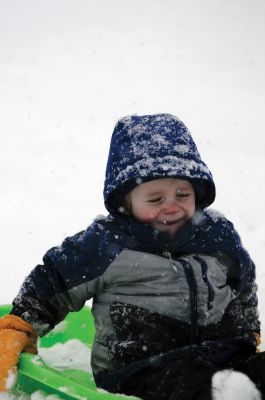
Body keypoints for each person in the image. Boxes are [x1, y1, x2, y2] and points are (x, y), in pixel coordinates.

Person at [0, 114, 262, 399]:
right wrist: (20, 326)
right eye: (155, 199)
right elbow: (54, 281)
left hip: (225, 356)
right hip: (141, 371)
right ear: (125, 202)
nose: (172, 207)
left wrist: (249, 332)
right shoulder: (106, 244)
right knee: (201, 388)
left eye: (182, 194)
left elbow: (242, 286)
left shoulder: (217, 235)